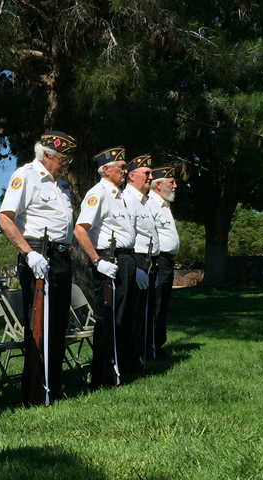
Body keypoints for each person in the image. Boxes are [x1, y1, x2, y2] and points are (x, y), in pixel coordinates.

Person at [0, 130, 77, 406]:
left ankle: (52, 386)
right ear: (46, 155)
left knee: (57, 324)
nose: (66, 162)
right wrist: (28, 253)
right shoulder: (26, 176)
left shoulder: (61, 184)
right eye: (63, 157)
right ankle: (33, 391)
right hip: (38, 255)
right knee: (38, 325)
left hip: (61, 256)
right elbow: (5, 218)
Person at [73, 146, 137, 388]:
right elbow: (80, 230)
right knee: (108, 319)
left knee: (123, 318)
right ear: (106, 170)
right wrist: (97, 261)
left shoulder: (119, 195)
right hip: (109, 260)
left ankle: (118, 369)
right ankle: (102, 375)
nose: (125, 171)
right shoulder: (98, 193)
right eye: (121, 167)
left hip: (125, 259)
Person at [121, 154, 160, 370]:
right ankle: (128, 359)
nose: (150, 177)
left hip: (147, 261)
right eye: (147, 173)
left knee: (140, 315)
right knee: (131, 314)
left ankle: (137, 356)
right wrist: (136, 268)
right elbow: (129, 234)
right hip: (135, 260)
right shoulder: (128, 198)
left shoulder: (144, 201)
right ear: (132, 175)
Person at [147, 166, 180, 359]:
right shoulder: (151, 203)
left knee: (163, 303)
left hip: (167, 260)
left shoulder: (165, 204)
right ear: (158, 185)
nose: (175, 186)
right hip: (158, 259)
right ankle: (152, 346)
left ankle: (157, 344)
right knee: (156, 303)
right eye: (171, 182)